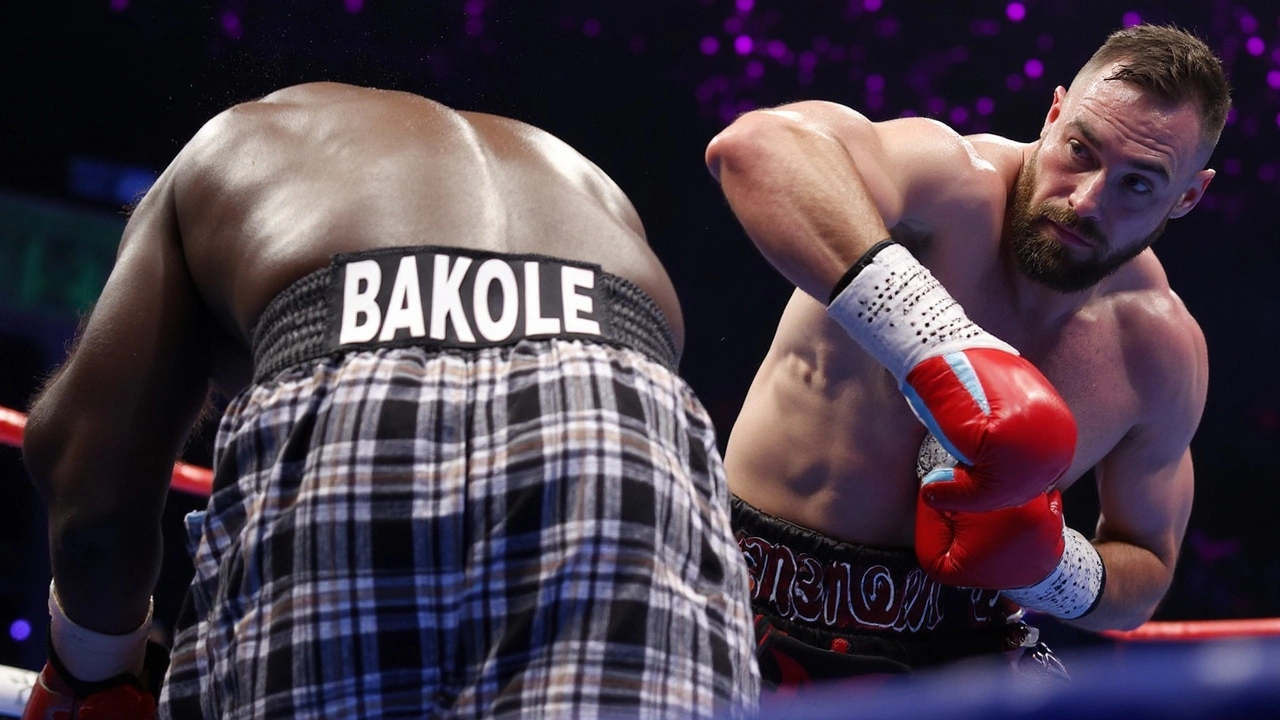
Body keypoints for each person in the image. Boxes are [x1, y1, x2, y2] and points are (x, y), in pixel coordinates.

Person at [21, 81, 760, 719]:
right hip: (627, 410)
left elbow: (87, 485)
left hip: (363, 369)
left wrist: (93, 673)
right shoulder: (574, 174)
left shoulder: (227, 146)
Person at [704, 23, 1229, 690]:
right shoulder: (945, 187)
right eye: (1080, 149)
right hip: (748, 606)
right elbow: (756, 146)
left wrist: (1056, 571)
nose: (1086, 198)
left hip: (961, 647)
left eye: (1138, 184)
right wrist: (940, 342)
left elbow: (1146, 572)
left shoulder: (1159, 348)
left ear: (1187, 195)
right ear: (1054, 113)